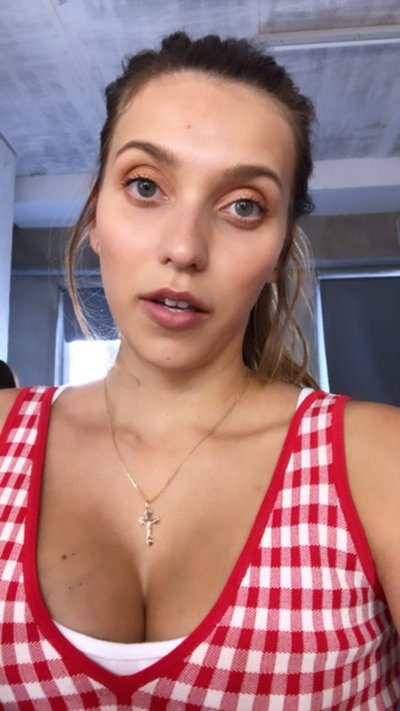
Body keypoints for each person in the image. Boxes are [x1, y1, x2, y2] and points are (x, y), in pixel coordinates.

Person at [0, 32, 399, 710]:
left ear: (278, 252)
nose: (185, 248)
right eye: (145, 186)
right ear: (95, 215)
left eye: (243, 205)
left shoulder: (379, 461)